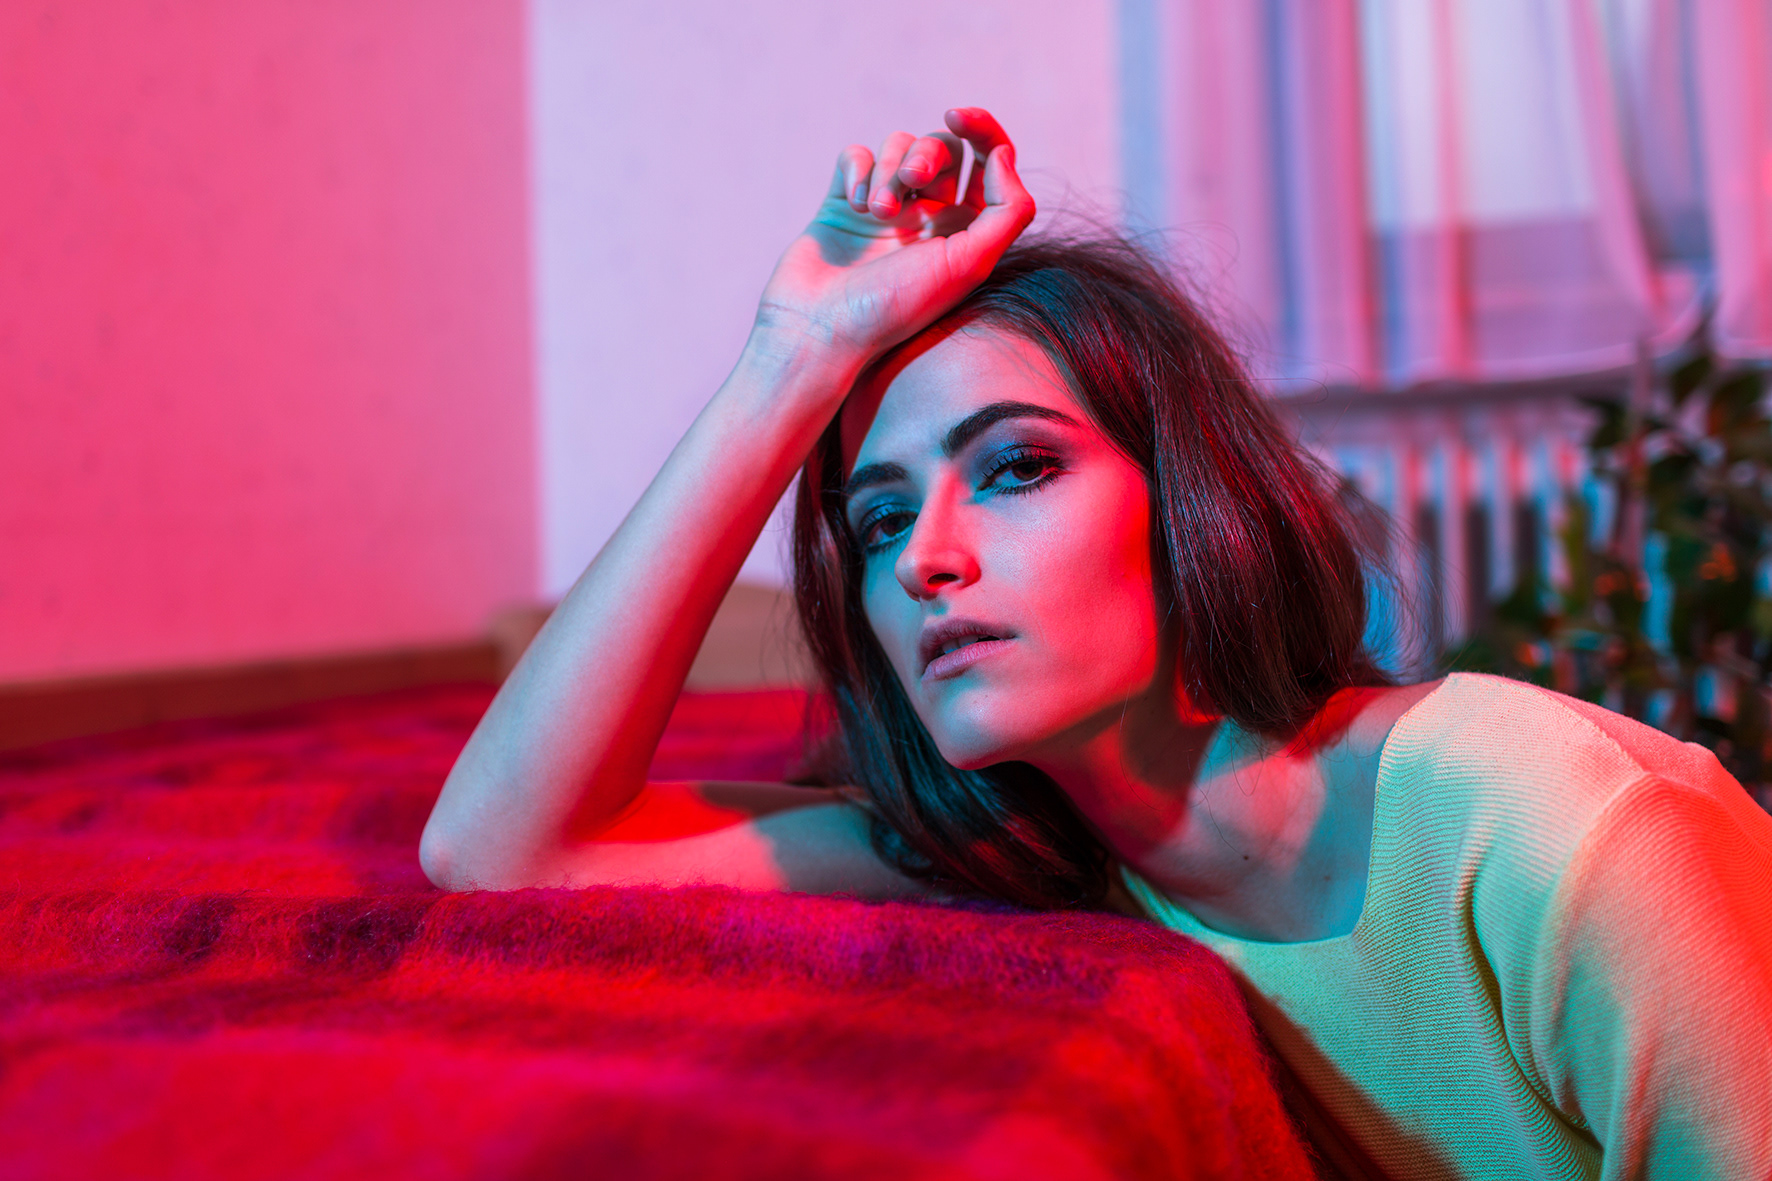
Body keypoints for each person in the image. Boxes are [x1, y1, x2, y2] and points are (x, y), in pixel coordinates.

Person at [421, 109, 1772, 1177]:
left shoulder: (1561, 824)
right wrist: (795, 354)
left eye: (1015, 467)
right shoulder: (1027, 854)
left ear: (1187, 500)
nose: (926, 557)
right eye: (880, 520)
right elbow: (503, 850)